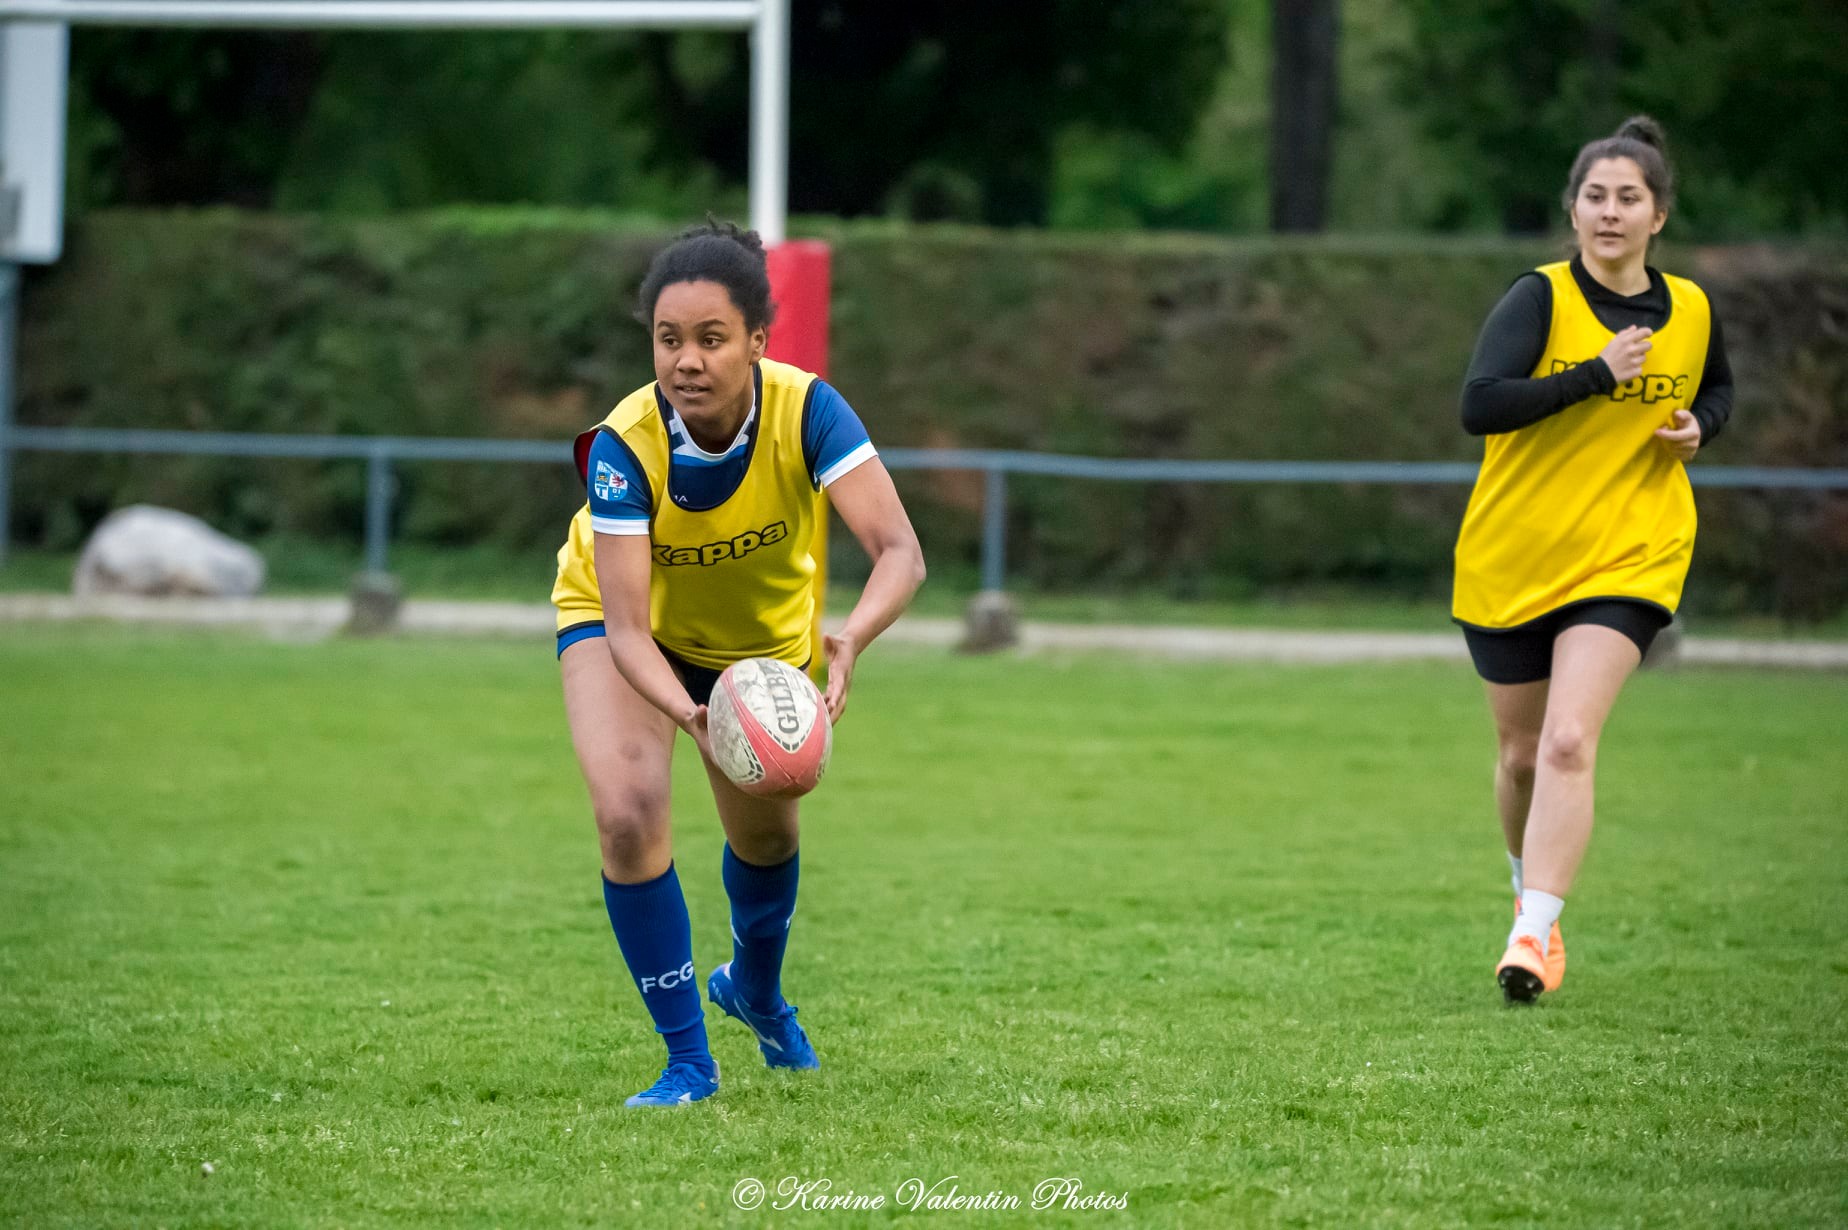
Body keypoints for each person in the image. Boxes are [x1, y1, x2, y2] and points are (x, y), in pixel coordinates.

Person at [551, 220, 926, 1103]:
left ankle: (753, 989)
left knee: (769, 830)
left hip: (758, 651)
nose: (686, 360)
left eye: (711, 339)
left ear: (758, 340)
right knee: (628, 811)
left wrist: (850, 644)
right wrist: (690, 715)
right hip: (624, 630)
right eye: (668, 339)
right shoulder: (624, 448)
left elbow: (899, 552)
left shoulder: (810, 411)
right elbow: (632, 632)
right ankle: (687, 1060)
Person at [1451, 116, 1734, 1004]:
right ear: (1572, 212)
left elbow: (1716, 386)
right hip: (1516, 551)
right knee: (1525, 755)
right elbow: (1480, 405)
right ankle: (1524, 881)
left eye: (1630, 198)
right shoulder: (1537, 299)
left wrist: (1702, 427)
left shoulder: (1690, 307)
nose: (1610, 213)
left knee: (1572, 741)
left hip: (1632, 551)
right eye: (1595, 197)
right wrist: (1596, 376)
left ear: (1659, 216)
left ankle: (1534, 933)